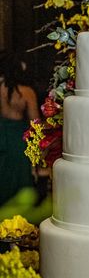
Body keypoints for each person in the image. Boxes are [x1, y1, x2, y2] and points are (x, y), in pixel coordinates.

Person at [0, 53, 39, 206]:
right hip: (18, 138)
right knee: (19, 176)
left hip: (2, 136)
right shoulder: (27, 92)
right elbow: (35, 123)